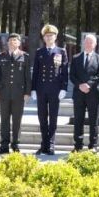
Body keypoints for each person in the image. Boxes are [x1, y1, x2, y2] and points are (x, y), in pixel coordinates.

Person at [31, 24, 68, 155]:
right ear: (43, 38)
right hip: (41, 89)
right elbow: (36, 72)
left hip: (55, 89)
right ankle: (44, 144)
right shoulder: (39, 52)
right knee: (42, 117)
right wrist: (33, 89)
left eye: (51, 35)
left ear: (55, 37)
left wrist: (64, 88)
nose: (49, 38)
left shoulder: (61, 51)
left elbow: (64, 71)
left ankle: (51, 144)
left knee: (53, 117)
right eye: (46, 36)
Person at [0, 33, 31, 154]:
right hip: (4, 93)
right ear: (7, 43)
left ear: (19, 43)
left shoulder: (25, 56)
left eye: (15, 40)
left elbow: (27, 76)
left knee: (17, 120)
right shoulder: (1, 56)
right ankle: (4, 145)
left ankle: (15, 144)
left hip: (19, 93)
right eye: (10, 40)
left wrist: (27, 92)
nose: (12, 42)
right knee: (4, 119)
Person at [70, 34, 99, 152]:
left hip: (93, 94)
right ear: (83, 43)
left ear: (95, 44)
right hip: (78, 93)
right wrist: (80, 85)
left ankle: (93, 146)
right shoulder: (76, 58)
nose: (88, 44)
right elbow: (72, 75)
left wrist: (88, 85)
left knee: (93, 121)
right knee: (78, 120)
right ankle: (78, 146)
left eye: (91, 42)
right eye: (86, 42)